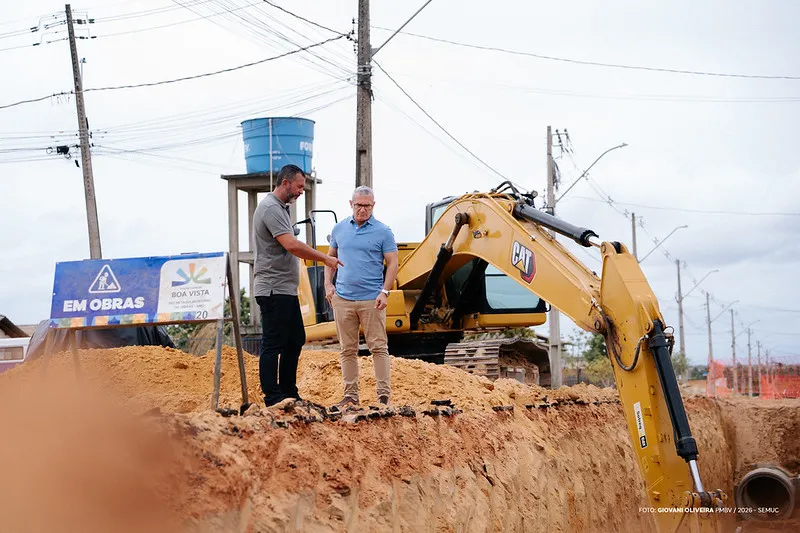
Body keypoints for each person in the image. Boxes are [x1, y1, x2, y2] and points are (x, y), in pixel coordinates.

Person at [253, 164, 343, 407]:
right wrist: (325, 258)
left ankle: (288, 392)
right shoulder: (271, 208)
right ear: (286, 183)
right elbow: (291, 245)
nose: (302, 191)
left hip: (285, 289)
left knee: (295, 339)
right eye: (299, 186)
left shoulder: (281, 209)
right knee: (273, 342)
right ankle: (273, 397)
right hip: (273, 288)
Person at [324, 186, 398, 409]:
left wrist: (385, 292)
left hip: (372, 300)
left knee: (378, 348)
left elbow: (392, 263)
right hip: (343, 299)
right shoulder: (339, 229)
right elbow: (330, 259)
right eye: (359, 205)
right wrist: (328, 284)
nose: (363, 209)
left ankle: (383, 397)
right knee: (347, 349)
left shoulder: (384, 232)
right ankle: (350, 396)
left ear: (373, 206)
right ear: (351, 204)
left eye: (367, 206)